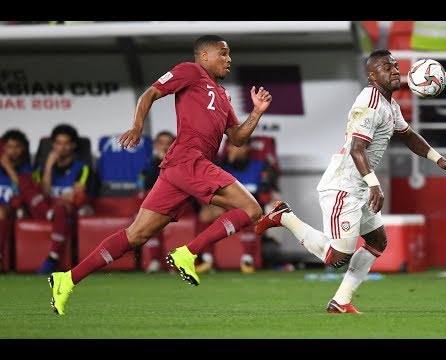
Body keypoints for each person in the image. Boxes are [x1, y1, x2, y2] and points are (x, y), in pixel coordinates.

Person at [47, 34, 272, 315]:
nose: (229, 60)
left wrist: (257, 112)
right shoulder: (190, 71)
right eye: (223, 54)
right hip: (189, 160)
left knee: (135, 236)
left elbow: (237, 138)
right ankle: (187, 253)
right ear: (204, 56)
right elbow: (150, 93)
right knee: (251, 208)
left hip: (179, 169)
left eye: (229, 55)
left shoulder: (223, 96)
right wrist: (138, 126)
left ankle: (67, 279)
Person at [255, 49, 446, 314]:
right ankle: (284, 217)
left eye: (396, 65)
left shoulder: (390, 105)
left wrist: (437, 158)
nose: (395, 70)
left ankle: (341, 301)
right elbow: (357, 149)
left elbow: (408, 136)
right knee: (337, 258)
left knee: (377, 241)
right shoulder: (370, 103)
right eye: (387, 67)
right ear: (372, 76)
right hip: (344, 184)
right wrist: (374, 184)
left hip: (360, 183)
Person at [195, 138, 280, 274]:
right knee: (206, 213)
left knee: (246, 211)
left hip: (251, 207)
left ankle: (247, 260)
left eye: (241, 146)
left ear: (247, 148)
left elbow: (266, 190)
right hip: (227, 206)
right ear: (227, 148)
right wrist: (225, 163)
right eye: (233, 146)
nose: (237, 149)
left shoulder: (260, 166)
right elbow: (207, 186)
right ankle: (207, 259)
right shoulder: (220, 167)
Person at [33, 124, 93, 274]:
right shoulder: (42, 169)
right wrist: (48, 167)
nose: (62, 147)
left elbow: (76, 195)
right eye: (58, 143)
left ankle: (52, 258)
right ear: (53, 145)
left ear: (73, 145)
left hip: (66, 210)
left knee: (60, 208)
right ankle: (51, 214)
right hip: (47, 209)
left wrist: (58, 200)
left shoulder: (82, 168)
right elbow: (44, 194)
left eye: (66, 143)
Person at [142, 130, 176, 273]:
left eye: (169, 144)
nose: (165, 147)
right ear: (155, 146)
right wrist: (161, 162)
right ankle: (155, 260)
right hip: (158, 206)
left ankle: (174, 262)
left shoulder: (182, 162)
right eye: (161, 144)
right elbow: (147, 185)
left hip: (179, 205)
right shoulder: (149, 165)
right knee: (151, 210)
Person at [0, 129, 33, 271]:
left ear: (23, 148)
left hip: (13, 210)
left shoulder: (27, 169)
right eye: (9, 147)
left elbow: (23, 189)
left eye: (17, 147)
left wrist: (7, 166)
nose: (13, 151)